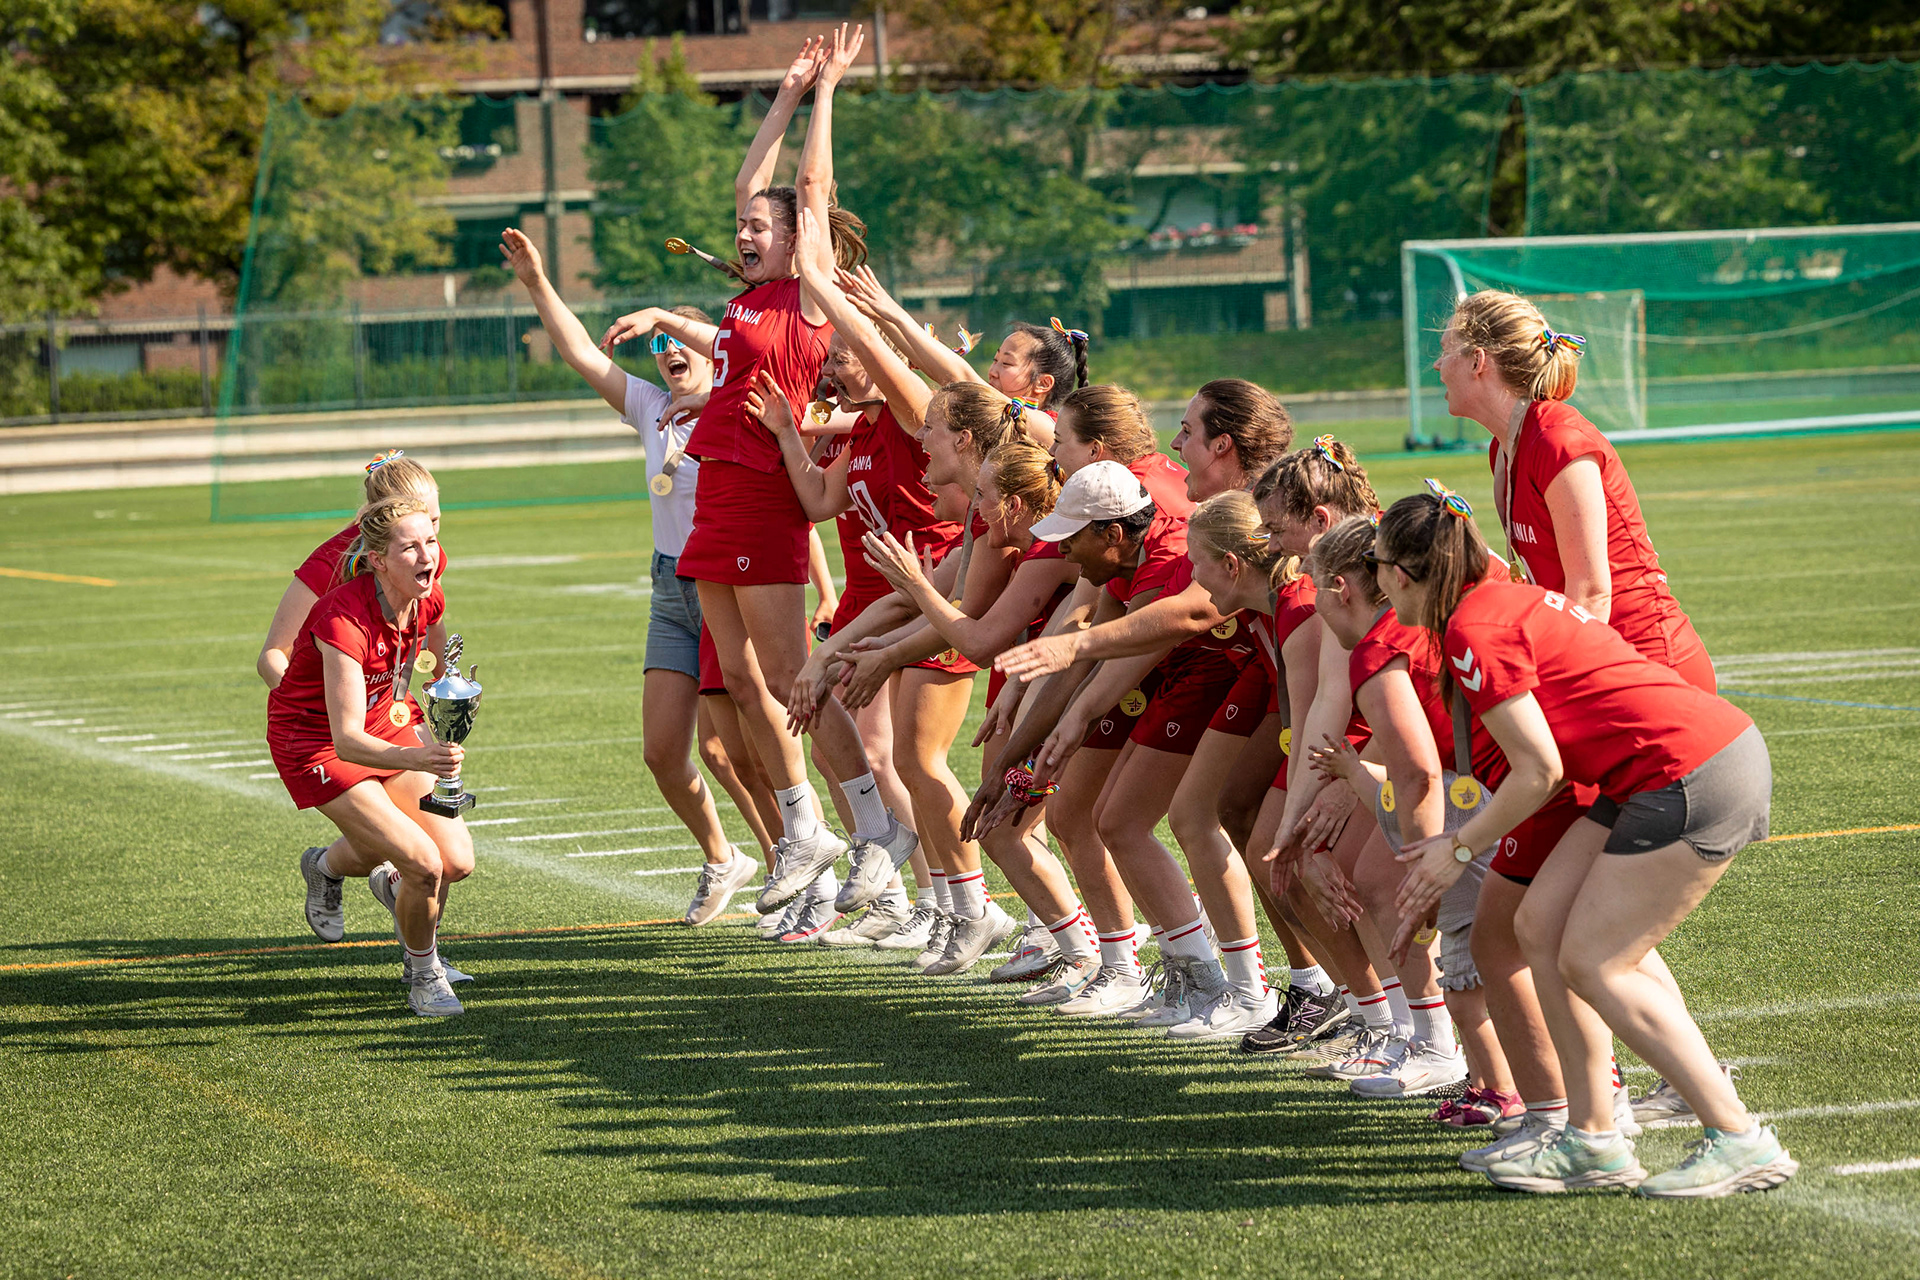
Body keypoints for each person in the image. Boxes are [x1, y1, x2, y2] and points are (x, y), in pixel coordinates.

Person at [1375, 488, 1796, 1198]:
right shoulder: (1492, 601)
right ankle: (1592, 1138)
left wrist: (1458, 848)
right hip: (1658, 770)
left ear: (1402, 573)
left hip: (1688, 771)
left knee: (1597, 962)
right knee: (1539, 927)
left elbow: (1538, 769)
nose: (1380, 585)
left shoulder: (1475, 625)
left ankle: (1738, 1137)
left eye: (1379, 567)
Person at [600, 26, 916, 927]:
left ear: (797, 238)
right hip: (720, 486)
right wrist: (780, 94)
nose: (744, 232)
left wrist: (827, 93)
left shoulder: (809, 291)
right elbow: (754, 182)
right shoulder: (747, 300)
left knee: (785, 675)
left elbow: (807, 190)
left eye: (759, 228)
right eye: (741, 228)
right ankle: (803, 826)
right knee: (741, 681)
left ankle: (875, 827)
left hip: (763, 492)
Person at [1435, 289, 1714, 1143]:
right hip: (1597, 680)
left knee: (1562, 918)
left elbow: (1592, 595)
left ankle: (1602, 1112)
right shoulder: (1506, 445)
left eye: (1444, 349)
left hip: (1643, 678)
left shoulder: (1557, 434)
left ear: (1479, 360)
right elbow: (1544, 588)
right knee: (1569, 916)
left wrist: (1536, 702)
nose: (1436, 365)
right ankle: (1653, 1089)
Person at [990, 381, 1306, 1040]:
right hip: (1252, 666)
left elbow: (1184, 616)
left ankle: (1303, 993)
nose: (1176, 443)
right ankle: (1280, 986)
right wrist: (1026, 751)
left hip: (1245, 668)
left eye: (1189, 431)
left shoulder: (1182, 519)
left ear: (1224, 445)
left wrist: (1067, 676)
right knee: (1178, 818)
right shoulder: (1155, 514)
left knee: (1223, 826)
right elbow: (1106, 643)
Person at [501, 227, 767, 928]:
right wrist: (536, 281)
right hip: (670, 587)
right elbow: (581, 353)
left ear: (712, 351)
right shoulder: (650, 406)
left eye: (683, 342)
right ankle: (724, 859)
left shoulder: (740, 407)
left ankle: (790, 868)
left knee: (739, 752)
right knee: (663, 753)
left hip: (729, 586)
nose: (670, 352)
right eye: (661, 345)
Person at [273, 495, 474, 1017]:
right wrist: (421, 759)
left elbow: (431, 667)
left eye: (432, 539)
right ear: (378, 559)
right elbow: (346, 740)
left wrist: (447, 706)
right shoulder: (343, 618)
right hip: (315, 742)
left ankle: (329, 867)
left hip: (385, 721)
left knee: (455, 861)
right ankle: (423, 973)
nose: (428, 555)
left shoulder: (427, 594)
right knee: (423, 863)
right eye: (411, 547)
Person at [258, 451, 444, 690]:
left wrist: (446, 685)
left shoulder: (427, 554)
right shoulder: (329, 565)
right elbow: (271, 655)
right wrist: (306, 702)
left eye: (434, 521)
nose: (427, 535)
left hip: (381, 694)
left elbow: (432, 618)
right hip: (325, 699)